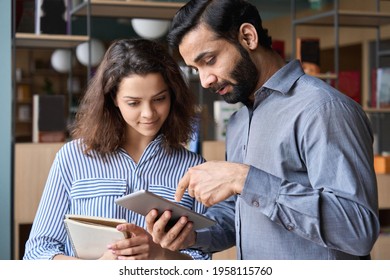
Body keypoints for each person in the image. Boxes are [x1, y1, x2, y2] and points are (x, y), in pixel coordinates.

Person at [145, 0, 380, 260]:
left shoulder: (323, 109)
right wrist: (193, 236)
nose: (205, 80)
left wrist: (244, 178)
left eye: (210, 60)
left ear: (248, 36)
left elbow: (358, 230)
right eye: (196, 69)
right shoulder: (238, 122)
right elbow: (240, 215)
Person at [23, 38, 210, 260]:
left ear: (173, 95)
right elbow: (37, 252)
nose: (149, 113)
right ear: (113, 98)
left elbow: (201, 260)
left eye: (159, 99)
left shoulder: (193, 168)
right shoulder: (72, 158)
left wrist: (159, 255)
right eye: (133, 103)